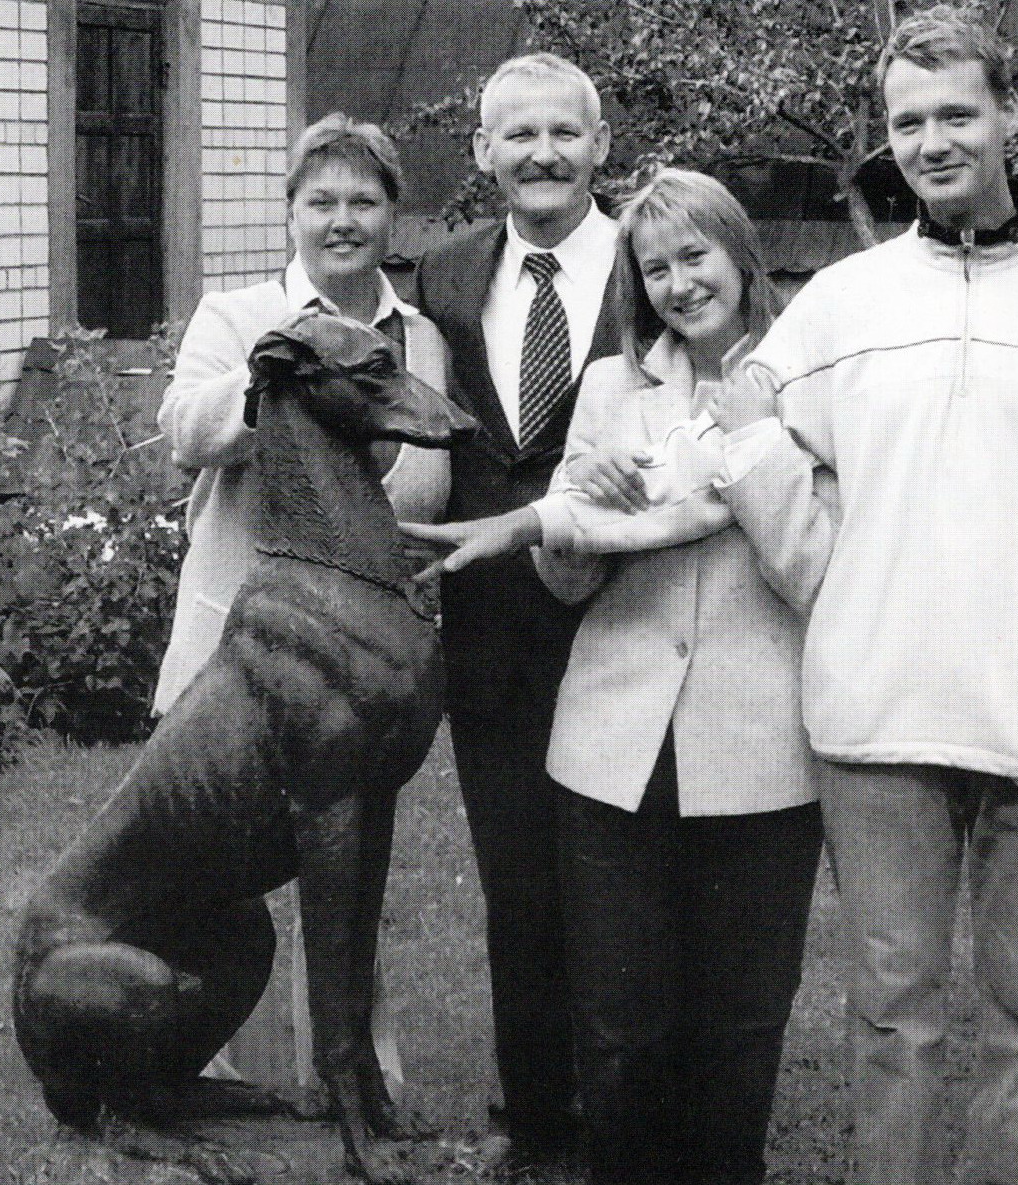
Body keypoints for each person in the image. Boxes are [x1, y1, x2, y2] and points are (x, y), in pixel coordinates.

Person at [709, 8, 1018, 1184]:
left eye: (957, 114)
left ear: (1010, 115)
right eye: (908, 121)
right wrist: (831, 585)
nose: (931, 142)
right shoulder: (843, 301)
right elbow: (748, 427)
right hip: (880, 720)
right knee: (892, 1020)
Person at [407, 168, 831, 1185]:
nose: (681, 283)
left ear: (740, 256)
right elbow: (565, 584)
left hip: (761, 754)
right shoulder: (609, 387)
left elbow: (815, 571)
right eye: (656, 268)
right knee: (618, 1026)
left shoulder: (815, 387)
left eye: (695, 256)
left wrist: (749, 441)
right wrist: (574, 512)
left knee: (737, 1026)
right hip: (612, 753)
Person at [154, 112, 450, 1097]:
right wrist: (281, 378)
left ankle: (353, 1076)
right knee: (220, 892)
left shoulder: (420, 341)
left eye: (364, 200)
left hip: (356, 672)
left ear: (392, 215)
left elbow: (424, 491)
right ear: (290, 214)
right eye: (320, 200)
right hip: (235, 666)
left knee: (343, 868)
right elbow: (186, 430)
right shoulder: (237, 318)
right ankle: (223, 1080)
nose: (342, 220)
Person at [409, 52, 622, 1166]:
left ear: (600, 146)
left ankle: (632, 1111)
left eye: (564, 133)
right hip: (490, 629)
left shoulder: (652, 264)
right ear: (483, 150)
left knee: (623, 880)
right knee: (517, 881)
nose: (543, 154)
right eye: (519, 135)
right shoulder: (445, 273)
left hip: (628, 617)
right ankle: (536, 1119)